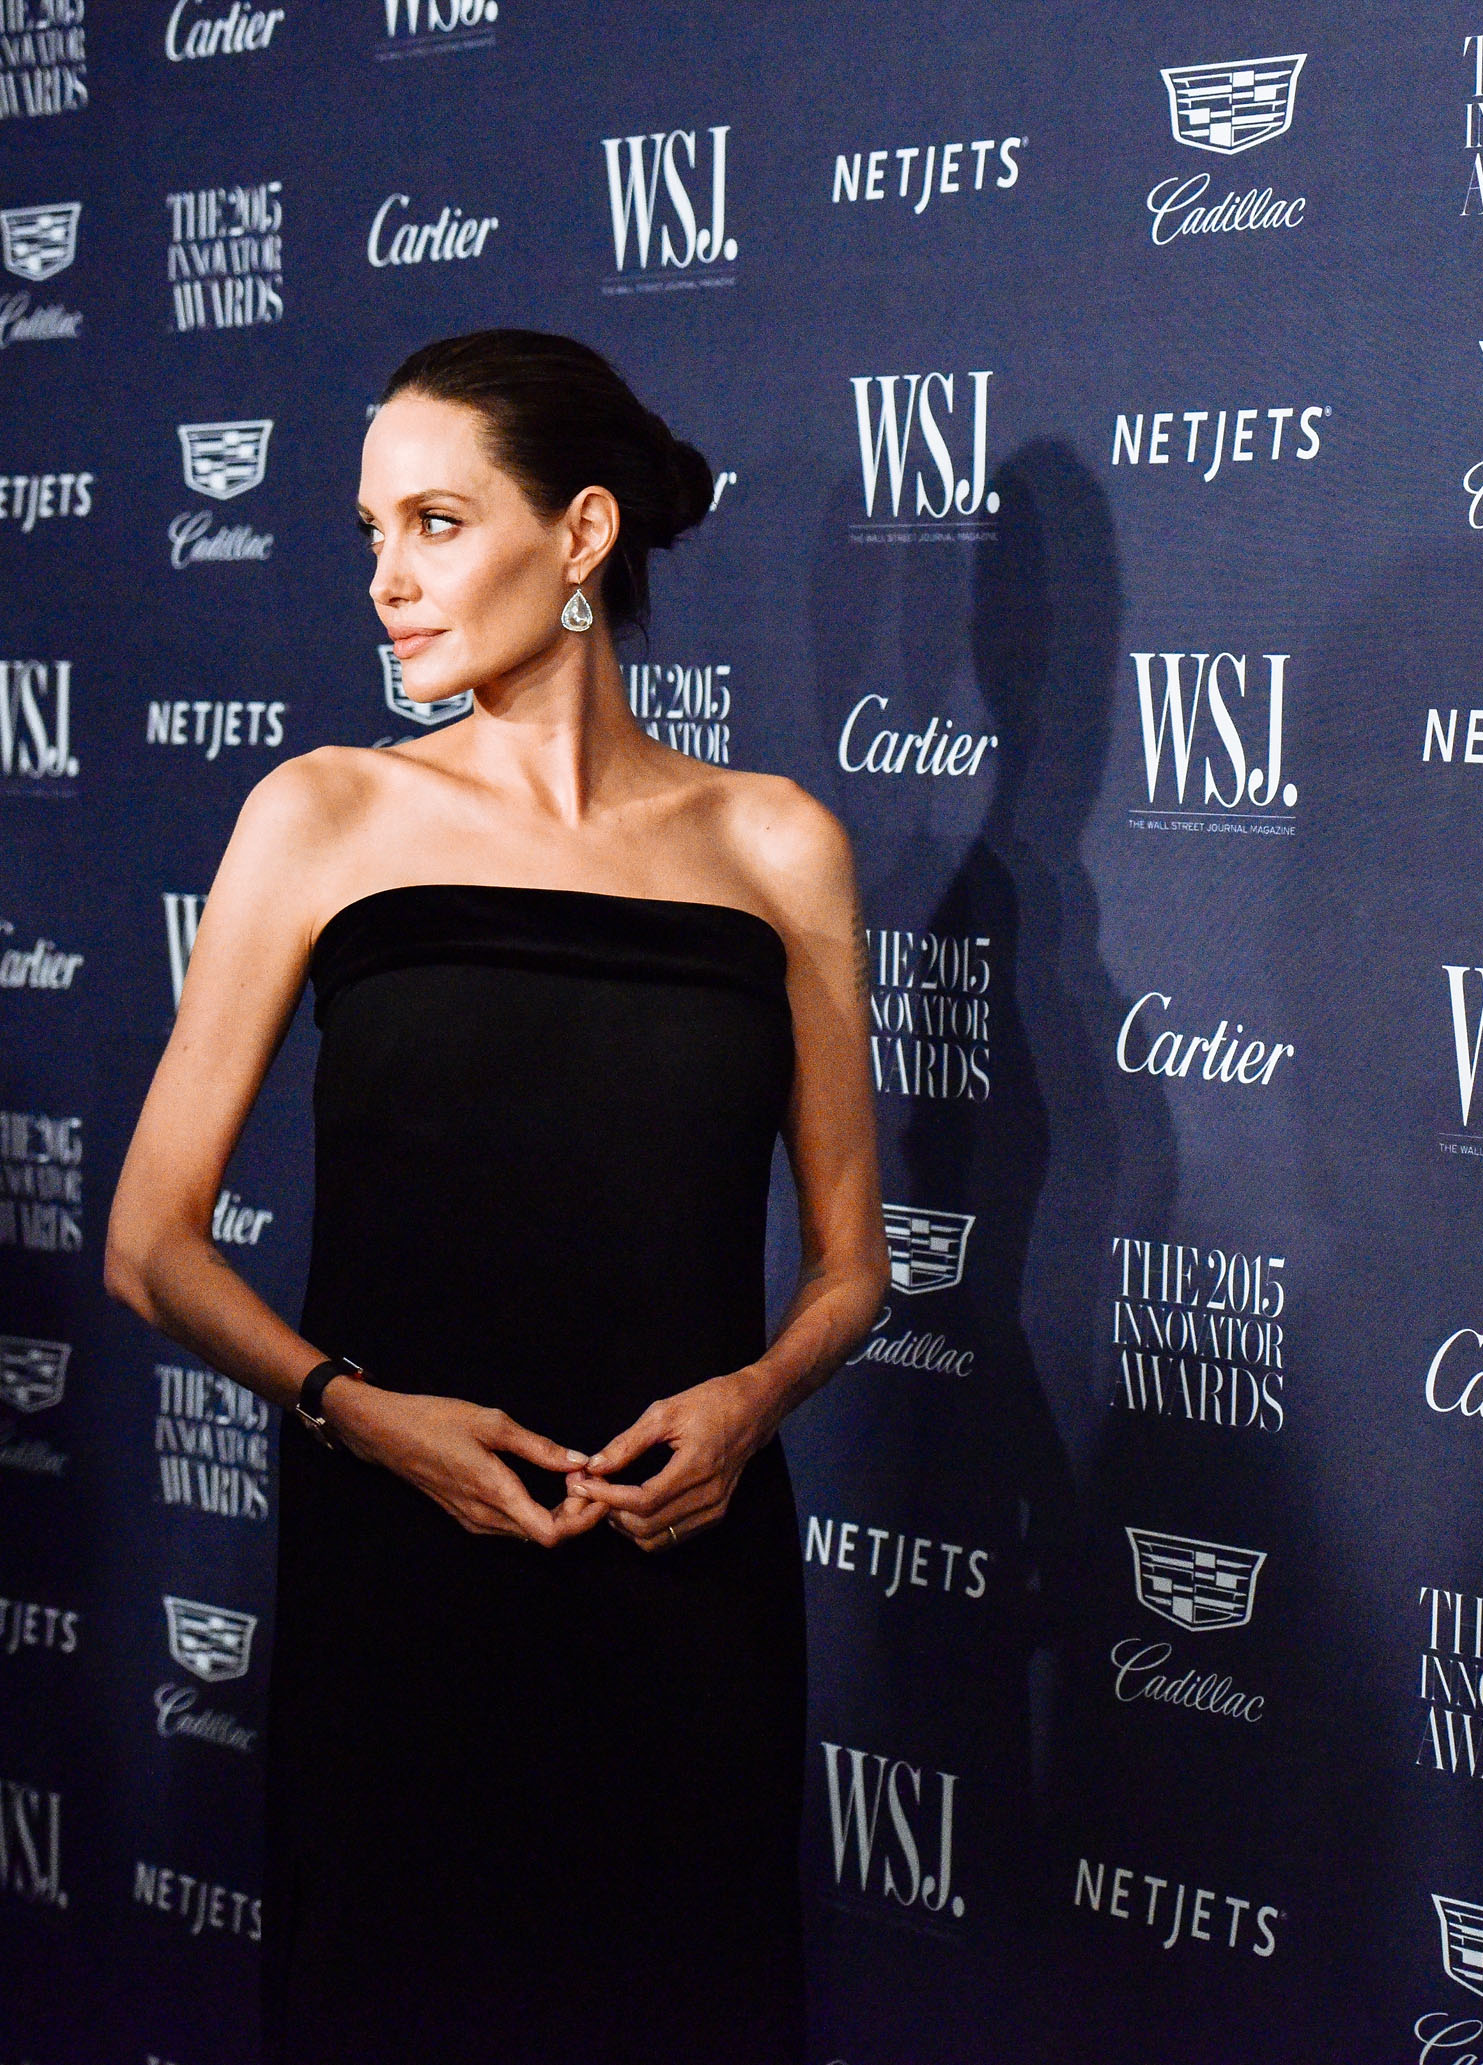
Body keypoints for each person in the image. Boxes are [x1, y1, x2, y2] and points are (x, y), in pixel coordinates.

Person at [103, 330, 886, 2064]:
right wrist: (360, 1412)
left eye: (436, 523)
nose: (386, 579)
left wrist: (755, 1398)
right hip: (406, 1582)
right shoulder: (321, 815)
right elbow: (150, 1241)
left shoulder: (778, 846)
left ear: (584, 533)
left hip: (684, 1588)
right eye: (370, 532)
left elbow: (853, 1269)